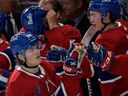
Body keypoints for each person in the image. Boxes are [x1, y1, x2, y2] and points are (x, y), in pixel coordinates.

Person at [20, 6, 91, 95]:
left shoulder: (70, 31)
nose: (35, 38)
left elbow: (71, 57)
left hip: (68, 88)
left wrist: (53, 28)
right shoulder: (27, 30)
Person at [84, 0, 128, 95]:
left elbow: (88, 69)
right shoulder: (122, 24)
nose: (90, 19)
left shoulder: (104, 41)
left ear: (106, 15)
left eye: (93, 15)